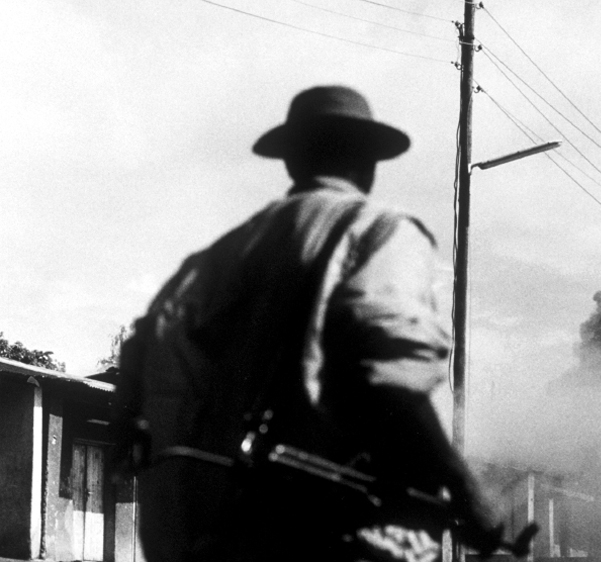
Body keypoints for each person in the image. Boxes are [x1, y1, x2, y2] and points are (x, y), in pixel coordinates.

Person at [112, 85, 503, 562]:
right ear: (370, 164)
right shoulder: (380, 231)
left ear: (290, 163)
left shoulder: (222, 253)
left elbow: (139, 355)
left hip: (210, 537)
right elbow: (387, 372)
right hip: (325, 533)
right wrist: (466, 493)